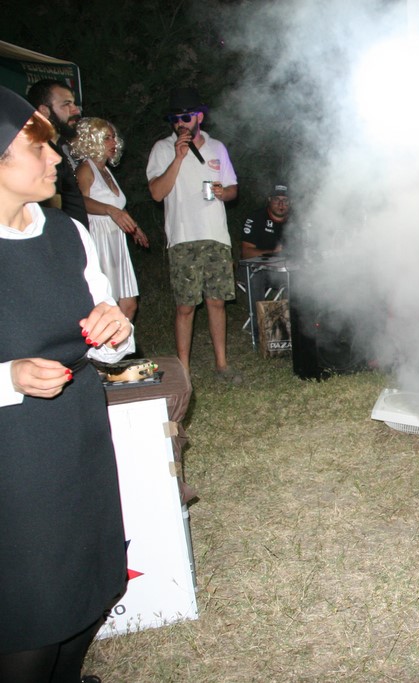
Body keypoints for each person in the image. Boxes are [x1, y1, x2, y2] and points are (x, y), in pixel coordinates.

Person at [0, 87, 135, 683]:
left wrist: (115, 327)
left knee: (89, 584)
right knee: (33, 608)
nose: (56, 159)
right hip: (15, 456)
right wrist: (8, 376)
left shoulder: (66, 232)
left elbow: (112, 343)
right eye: (39, 148)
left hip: (80, 429)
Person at [146, 86, 240, 381]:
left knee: (217, 302)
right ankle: (184, 370)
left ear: (199, 117)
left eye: (185, 117)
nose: (180, 124)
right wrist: (178, 158)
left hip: (216, 235)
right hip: (183, 236)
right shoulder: (163, 149)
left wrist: (224, 192)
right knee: (185, 306)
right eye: (175, 119)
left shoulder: (217, 148)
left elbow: (233, 189)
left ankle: (222, 364)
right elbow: (157, 193)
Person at [71, 117, 149, 322]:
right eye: (106, 138)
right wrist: (110, 211)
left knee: (129, 305)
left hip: (116, 241)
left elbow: (117, 206)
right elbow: (80, 202)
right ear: (92, 140)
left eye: (114, 137)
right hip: (99, 240)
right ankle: (104, 342)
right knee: (107, 304)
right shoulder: (85, 169)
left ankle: (121, 343)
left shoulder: (105, 171)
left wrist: (133, 227)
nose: (113, 142)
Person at [26, 78, 87, 226]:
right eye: (66, 104)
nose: (76, 110)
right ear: (44, 111)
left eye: (74, 103)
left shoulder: (59, 148)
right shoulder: (41, 155)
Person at [241, 182, 289, 259]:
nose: (281, 204)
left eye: (285, 200)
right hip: (259, 265)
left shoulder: (296, 221)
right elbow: (246, 252)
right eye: (276, 199)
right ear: (269, 199)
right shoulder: (256, 218)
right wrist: (272, 253)